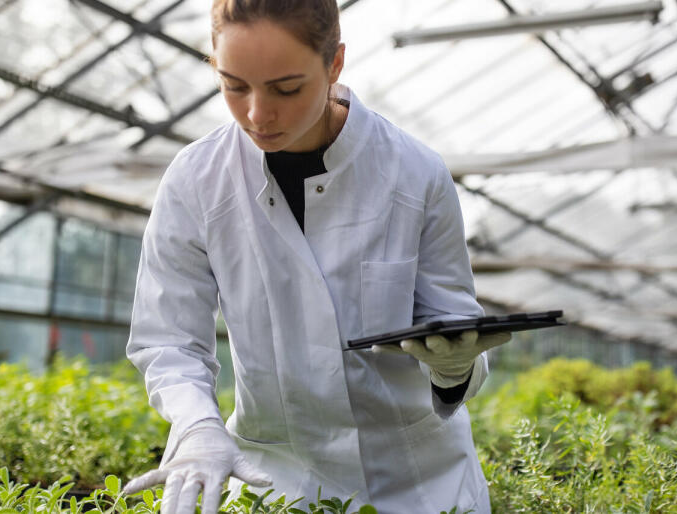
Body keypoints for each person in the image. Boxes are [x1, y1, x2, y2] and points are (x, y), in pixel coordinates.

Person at [123, 1, 511, 512]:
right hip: (278, 480)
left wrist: (455, 363)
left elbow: (454, 319)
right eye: (234, 85)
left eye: (286, 88)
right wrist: (197, 426)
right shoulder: (196, 181)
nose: (258, 114)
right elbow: (168, 337)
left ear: (335, 65)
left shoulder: (415, 173)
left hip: (420, 484)